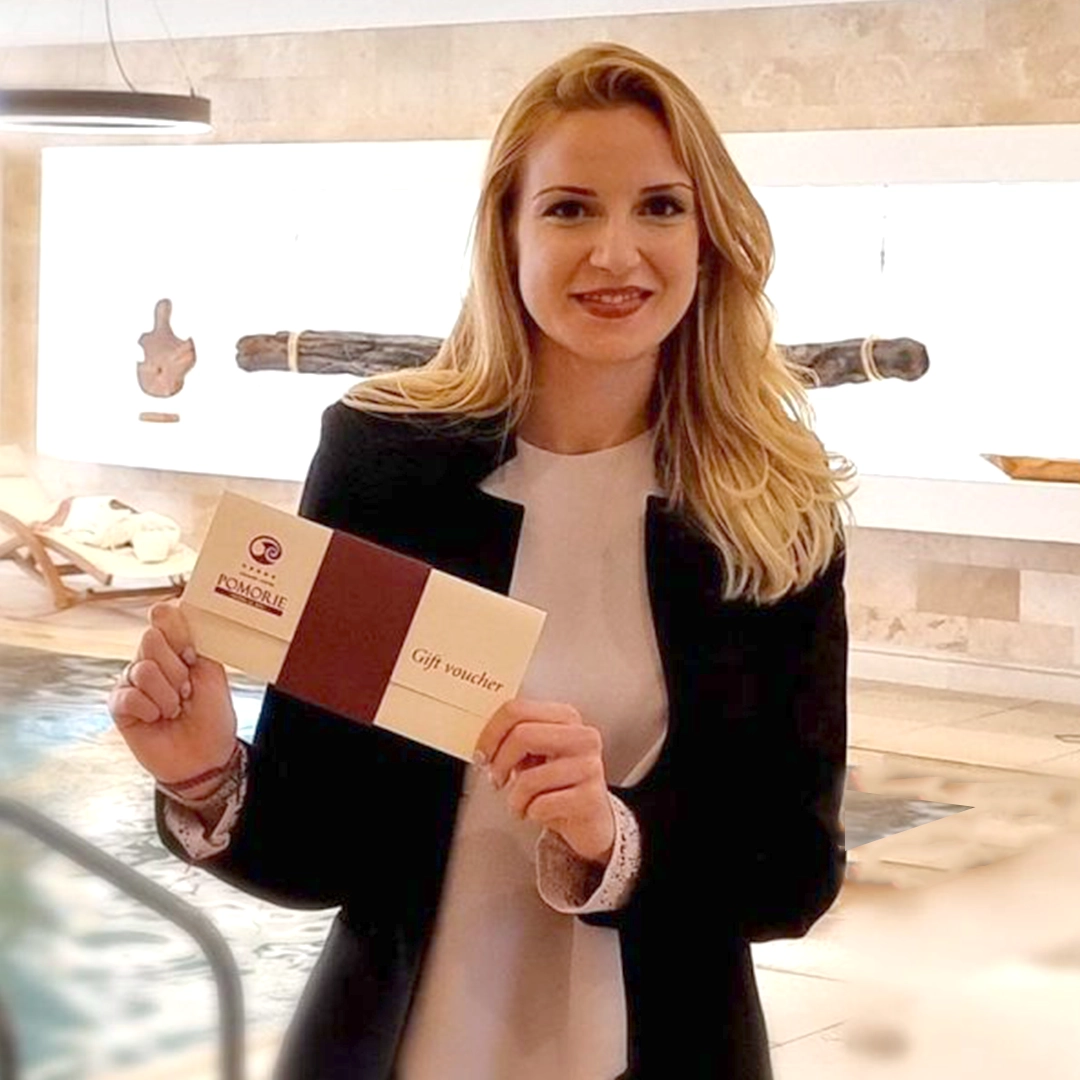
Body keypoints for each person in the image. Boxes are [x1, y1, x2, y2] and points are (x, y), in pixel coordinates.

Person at [108, 42, 851, 1080]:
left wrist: (611, 838)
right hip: (397, 1048)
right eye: (569, 209)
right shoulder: (382, 465)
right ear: (507, 233)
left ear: (709, 236)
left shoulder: (772, 505)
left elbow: (793, 872)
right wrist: (203, 772)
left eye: (660, 207)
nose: (616, 253)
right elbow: (320, 848)